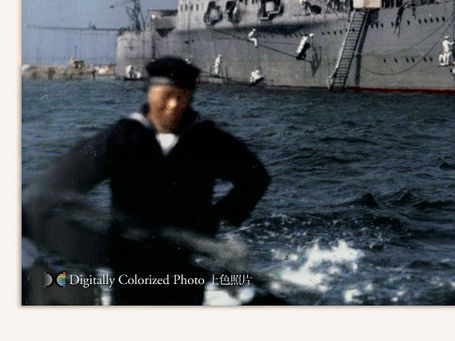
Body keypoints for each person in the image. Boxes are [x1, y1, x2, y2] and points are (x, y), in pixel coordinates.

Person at [23, 56, 270, 305]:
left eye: (181, 98)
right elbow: (54, 187)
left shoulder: (208, 140)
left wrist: (217, 217)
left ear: (190, 98)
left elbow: (255, 178)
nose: (172, 106)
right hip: (132, 268)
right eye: (165, 97)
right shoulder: (122, 138)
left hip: (185, 267)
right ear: (150, 95)